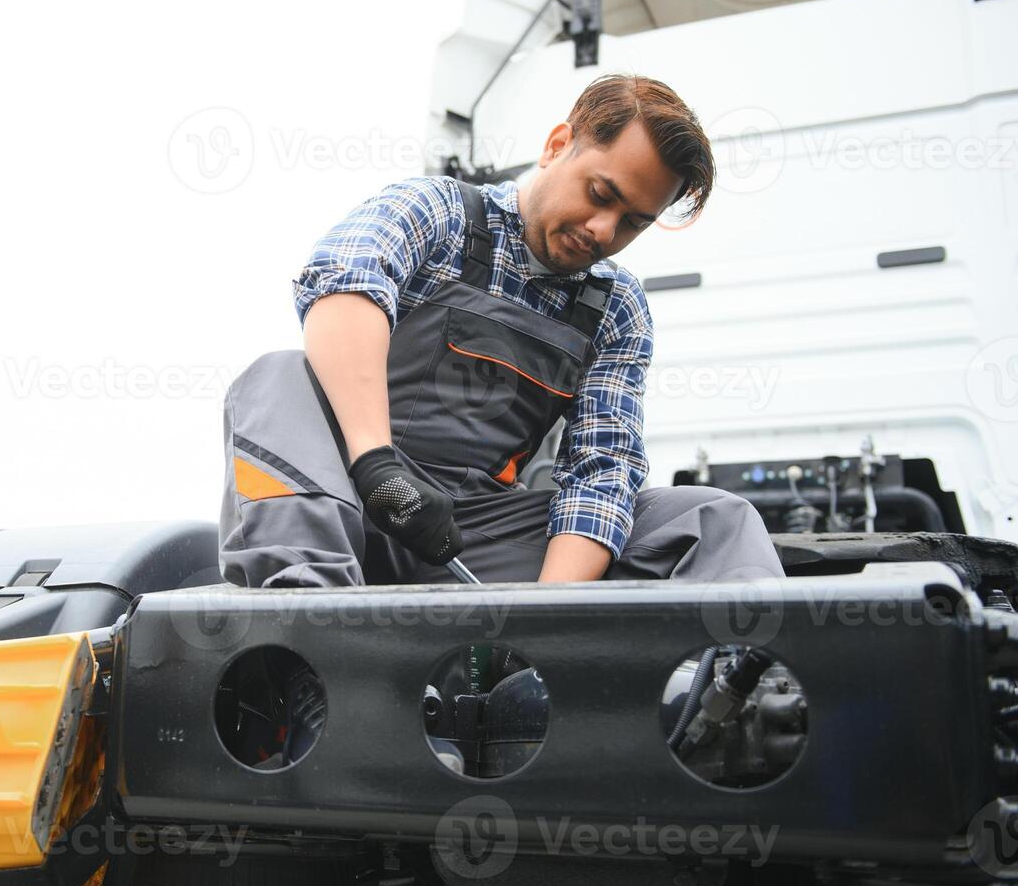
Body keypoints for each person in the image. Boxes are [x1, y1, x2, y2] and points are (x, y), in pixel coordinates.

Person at [218, 74, 783, 589]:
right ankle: (309, 633)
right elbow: (345, 283)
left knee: (715, 521)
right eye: (601, 194)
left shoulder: (616, 309)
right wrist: (376, 466)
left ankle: (740, 691)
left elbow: (601, 472)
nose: (604, 230)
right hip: (345, 500)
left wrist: (542, 618)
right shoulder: (438, 213)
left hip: (468, 542)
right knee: (276, 378)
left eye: (634, 221)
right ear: (558, 145)